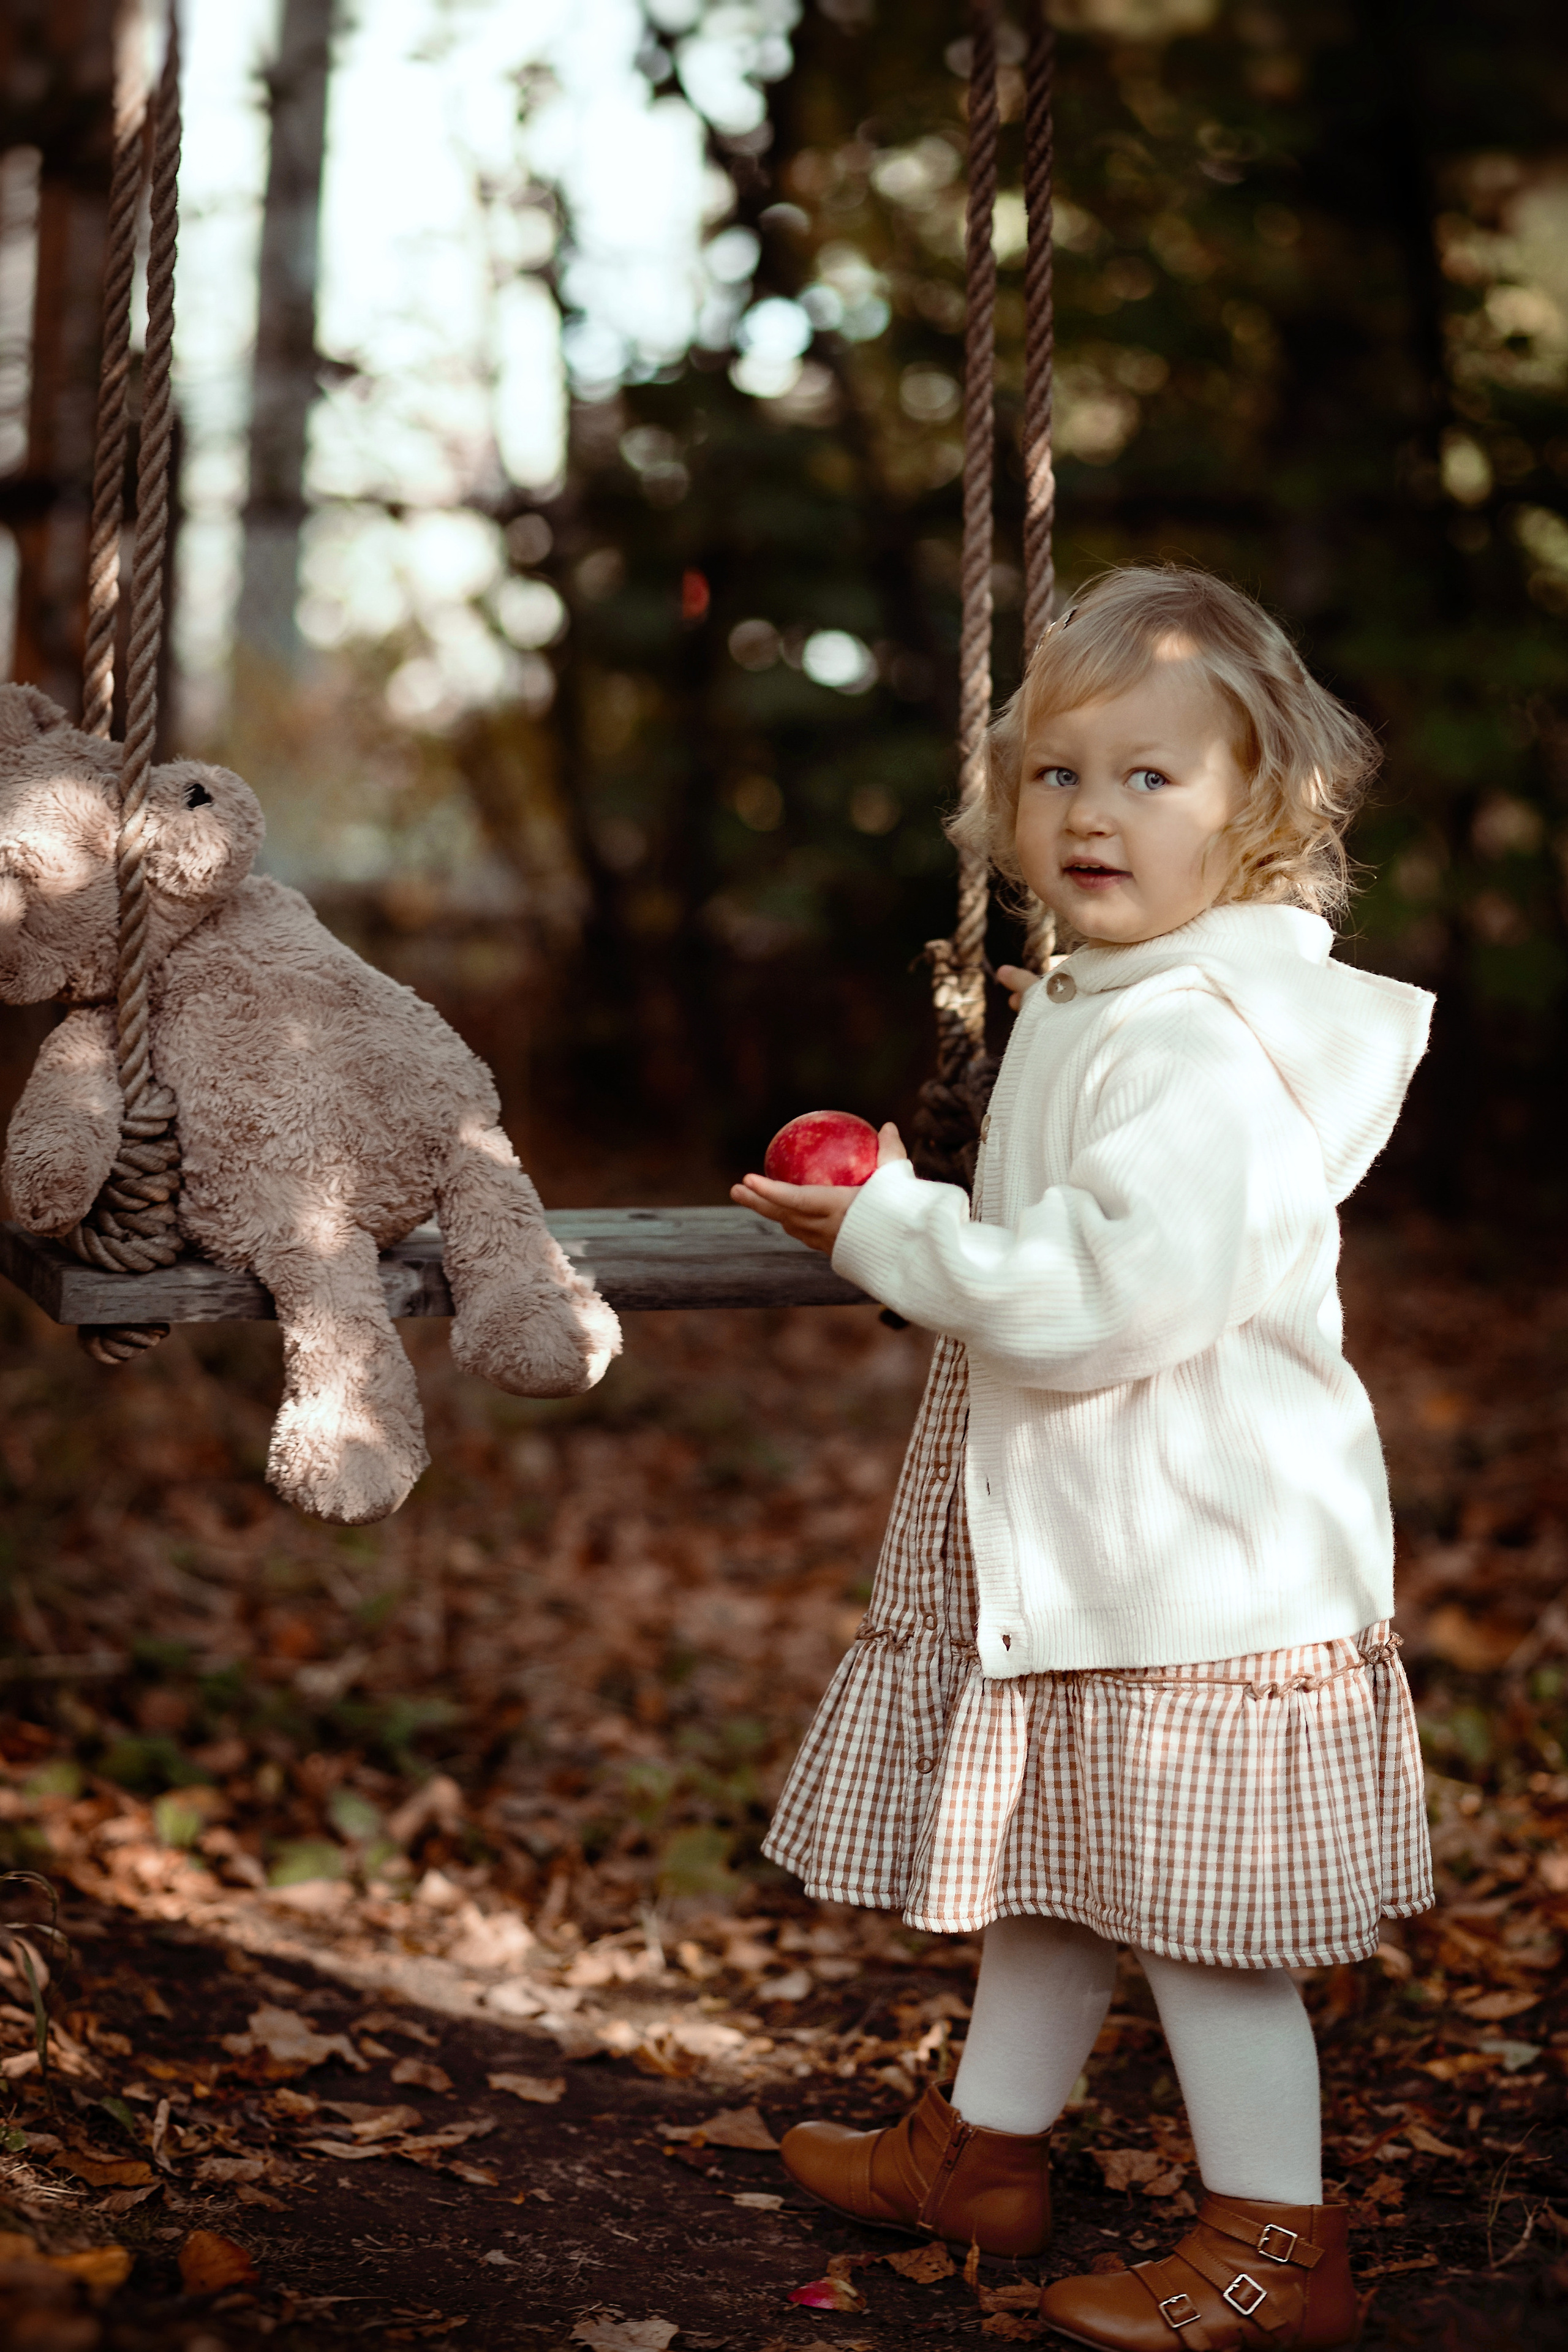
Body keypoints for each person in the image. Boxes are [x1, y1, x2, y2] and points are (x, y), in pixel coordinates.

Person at [731, 566, 1433, 2352]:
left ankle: (1284, 2245)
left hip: (1192, 1550)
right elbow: (1067, 1243)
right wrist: (918, 1214)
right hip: (1089, 1534)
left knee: (1203, 1930)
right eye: (1059, 776)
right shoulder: (1104, 995)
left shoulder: (1203, 1040)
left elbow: (1105, 1302)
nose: (1091, 814)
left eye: (1150, 776)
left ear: (1261, 810)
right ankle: (985, 2154)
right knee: (1063, 1857)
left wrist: (895, 1231)